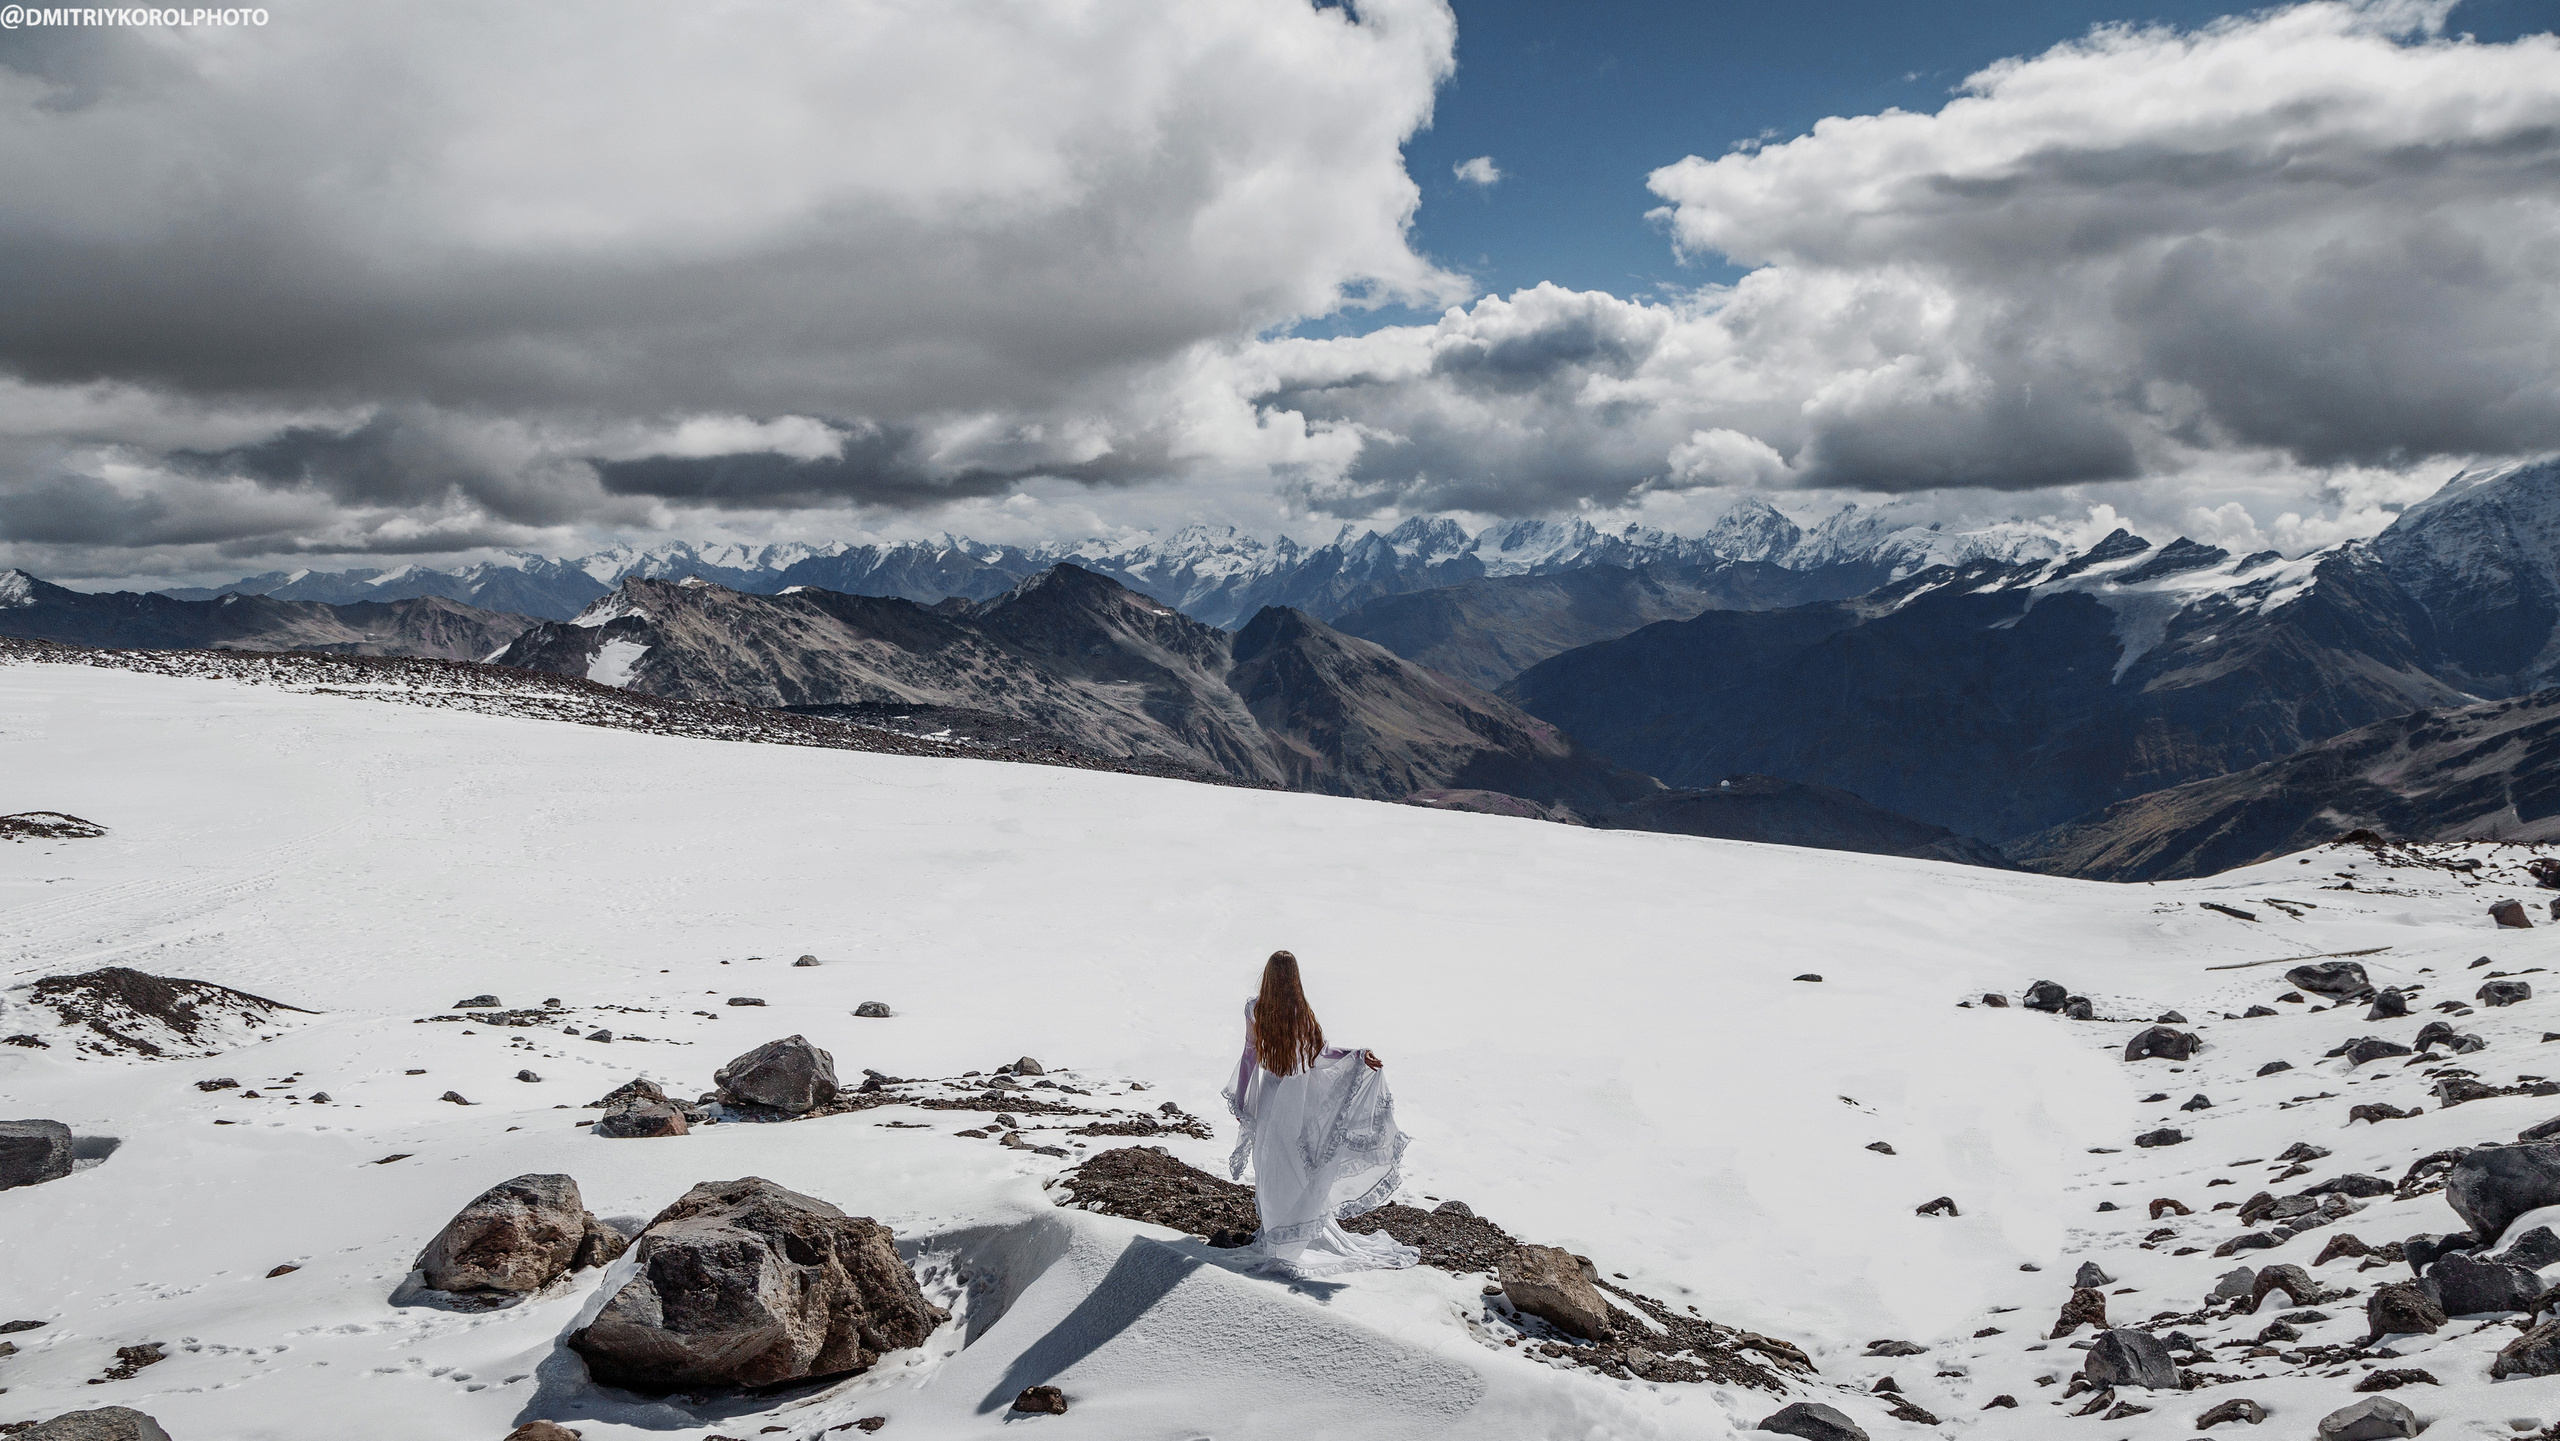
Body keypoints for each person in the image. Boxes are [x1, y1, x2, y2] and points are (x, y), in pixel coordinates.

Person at [1220, 950, 1418, 1278]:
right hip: (1298, 1099)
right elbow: (1321, 1054)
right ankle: (1292, 1230)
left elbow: (1248, 1055)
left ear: (1268, 975)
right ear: (1294, 978)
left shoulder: (1255, 1008)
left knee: (1271, 1166)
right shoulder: (1301, 1012)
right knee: (1298, 1166)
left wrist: (1242, 1099)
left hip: (1271, 1097)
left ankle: (1277, 1235)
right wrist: (1357, 1056)